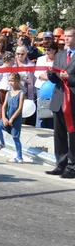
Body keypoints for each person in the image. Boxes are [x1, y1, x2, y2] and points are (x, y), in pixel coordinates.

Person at [46, 27, 75, 178]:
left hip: (72, 101)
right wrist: (51, 74)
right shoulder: (60, 55)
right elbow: (55, 78)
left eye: (70, 36)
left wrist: (69, 78)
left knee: (73, 134)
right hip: (59, 98)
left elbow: (67, 77)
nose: (67, 39)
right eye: (66, 36)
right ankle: (61, 164)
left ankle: (72, 166)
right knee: (59, 134)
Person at [0, 73, 26, 163]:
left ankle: (19, 157)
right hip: (7, 116)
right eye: (9, 81)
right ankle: (2, 143)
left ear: (17, 81)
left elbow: (20, 108)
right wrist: (4, 118)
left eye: (12, 81)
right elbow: (4, 106)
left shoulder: (21, 93)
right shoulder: (8, 92)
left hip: (15, 119)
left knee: (15, 137)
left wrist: (12, 119)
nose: (11, 83)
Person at [34, 42, 58, 129]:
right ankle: (39, 127)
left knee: (52, 110)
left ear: (54, 50)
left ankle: (51, 128)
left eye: (48, 50)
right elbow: (37, 73)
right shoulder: (40, 59)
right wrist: (51, 78)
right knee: (41, 109)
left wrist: (53, 79)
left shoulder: (58, 60)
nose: (46, 52)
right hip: (41, 88)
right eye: (45, 49)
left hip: (54, 89)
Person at [0, 53, 15, 122]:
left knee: (9, 106)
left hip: (10, 90)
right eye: (12, 62)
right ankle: (1, 119)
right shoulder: (1, 69)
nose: (13, 63)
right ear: (7, 61)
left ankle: (7, 119)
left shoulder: (12, 69)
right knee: (2, 105)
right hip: (2, 90)